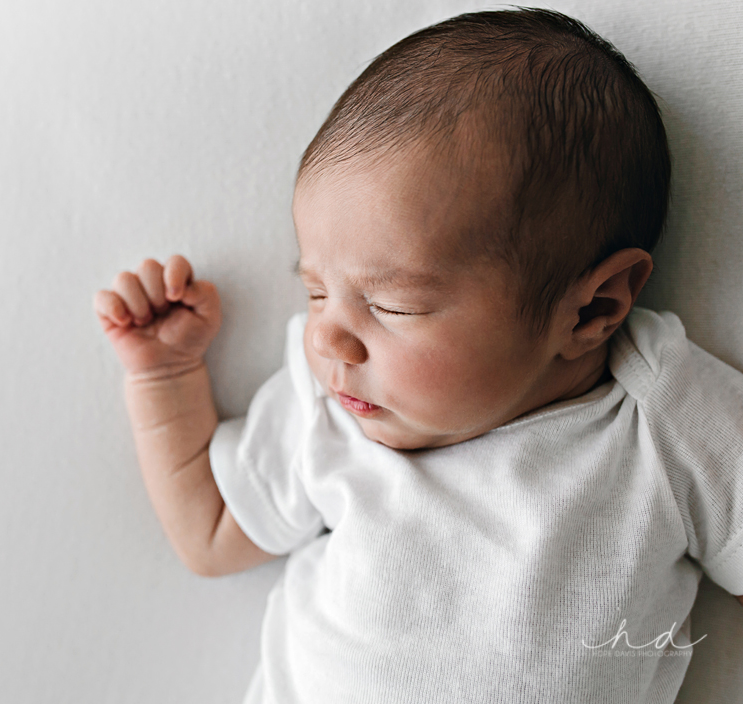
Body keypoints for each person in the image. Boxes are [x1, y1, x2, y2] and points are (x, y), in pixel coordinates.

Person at [93, 8, 743, 702]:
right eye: (315, 292)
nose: (327, 338)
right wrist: (164, 376)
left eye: (392, 305)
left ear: (592, 309)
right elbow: (213, 533)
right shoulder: (331, 412)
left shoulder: (658, 420)